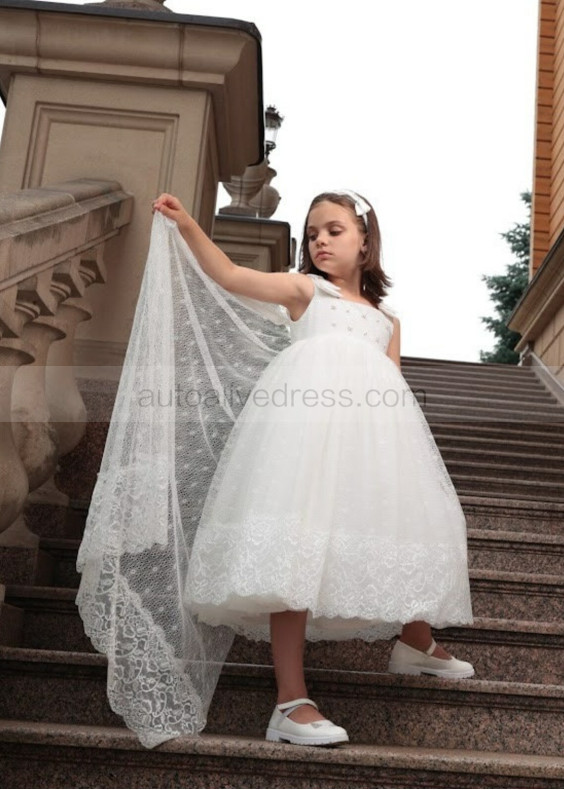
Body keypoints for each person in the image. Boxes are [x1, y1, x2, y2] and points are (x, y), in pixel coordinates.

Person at [147, 189, 474, 747]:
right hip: (304, 441)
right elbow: (228, 274)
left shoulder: (388, 320)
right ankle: (290, 701)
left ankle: (415, 641)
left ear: (366, 241)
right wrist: (187, 227)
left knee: (397, 524)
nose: (320, 240)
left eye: (335, 230)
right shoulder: (306, 291)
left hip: (372, 443)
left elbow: (392, 388)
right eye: (313, 232)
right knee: (295, 545)